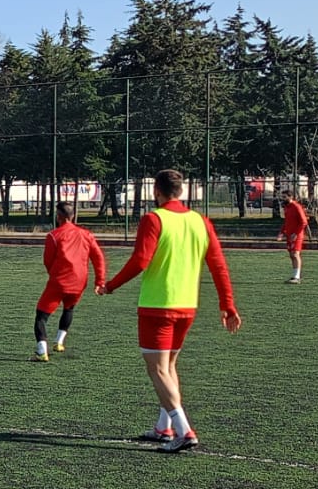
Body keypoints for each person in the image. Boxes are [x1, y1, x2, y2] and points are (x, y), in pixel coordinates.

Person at [99, 168, 241, 453]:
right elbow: (218, 265)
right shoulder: (200, 221)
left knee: (158, 369)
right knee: (169, 367)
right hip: (187, 306)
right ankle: (163, 427)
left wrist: (110, 285)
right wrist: (227, 304)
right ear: (181, 191)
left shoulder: (154, 219)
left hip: (157, 306)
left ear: (156, 192)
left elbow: (140, 260)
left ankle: (184, 430)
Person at [34, 201, 108, 361]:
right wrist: (99, 281)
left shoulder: (54, 235)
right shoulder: (86, 235)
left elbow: (48, 260)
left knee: (41, 316)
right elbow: (98, 257)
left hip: (60, 281)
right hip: (80, 281)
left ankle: (41, 352)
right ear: (72, 216)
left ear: (58, 216)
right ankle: (59, 342)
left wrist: (54, 274)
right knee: (69, 308)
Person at [279, 189, 309, 284]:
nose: (282, 199)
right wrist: (282, 232)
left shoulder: (296, 207)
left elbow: (304, 222)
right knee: (292, 255)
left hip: (296, 235)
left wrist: (296, 233)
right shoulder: (287, 207)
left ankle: (297, 277)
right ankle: (296, 274)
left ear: (290, 197)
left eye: (284, 197)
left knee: (295, 254)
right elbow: (287, 222)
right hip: (289, 235)